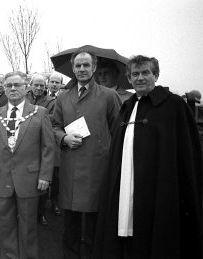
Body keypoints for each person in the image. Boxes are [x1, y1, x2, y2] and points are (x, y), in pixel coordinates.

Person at [94, 55, 203, 258]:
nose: (140, 78)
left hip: (160, 187)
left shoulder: (174, 106)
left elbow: (187, 154)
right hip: (126, 181)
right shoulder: (128, 106)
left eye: (146, 72)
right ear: (129, 78)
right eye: (135, 74)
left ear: (156, 75)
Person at [52, 49, 121, 258]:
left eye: (86, 65)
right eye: (78, 66)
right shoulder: (63, 97)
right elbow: (54, 125)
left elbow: (118, 130)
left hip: (97, 167)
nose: (82, 69)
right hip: (70, 166)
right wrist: (63, 138)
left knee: (93, 222)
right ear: (73, 69)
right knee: (70, 222)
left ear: (94, 67)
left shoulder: (109, 96)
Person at [0, 70, 55, 259]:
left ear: (26, 87)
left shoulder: (40, 113)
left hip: (30, 179)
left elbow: (48, 148)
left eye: (17, 85)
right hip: (0, 178)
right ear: (4, 89)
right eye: (9, 86)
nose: (13, 89)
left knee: (28, 227)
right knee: (5, 227)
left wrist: (45, 176)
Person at [25, 73, 55, 226]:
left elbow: (51, 119)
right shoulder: (23, 97)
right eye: (36, 85)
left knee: (42, 182)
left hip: (42, 141)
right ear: (30, 85)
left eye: (41, 85)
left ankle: (41, 213)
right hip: (25, 144)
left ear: (46, 87)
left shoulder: (51, 101)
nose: (38, 88)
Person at [46, 72, 64, 217]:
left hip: (57, 141)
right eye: (52, 81)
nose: (54, 84)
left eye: (57, 82)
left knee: (57, 176)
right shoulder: (39, 95)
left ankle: (55, 201)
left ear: (60, 84)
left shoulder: (64, 98)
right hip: (43, 140)